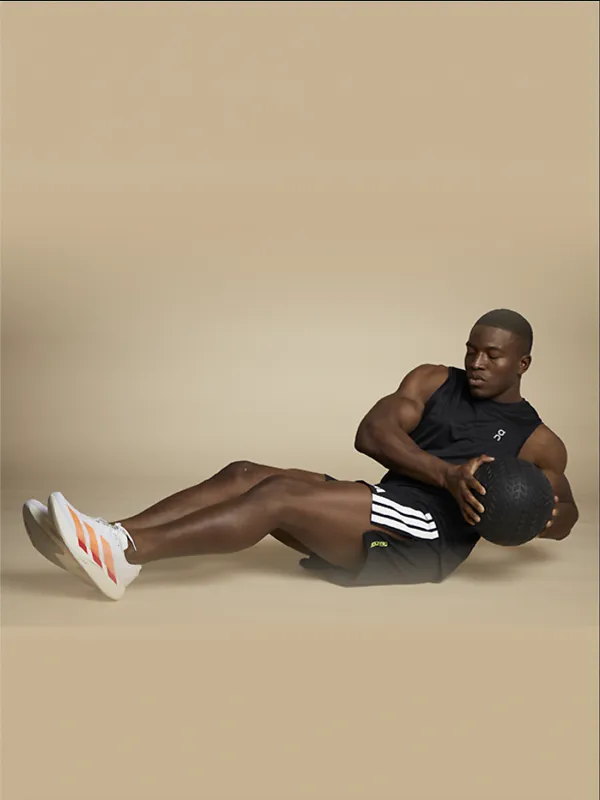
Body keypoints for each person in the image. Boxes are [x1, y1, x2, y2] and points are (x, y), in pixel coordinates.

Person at [23, 308, 580, 600]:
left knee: (280, 496)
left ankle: (126, 554)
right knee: (244, 472)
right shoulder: (434, 380)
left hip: (428, 538)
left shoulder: (536, 440)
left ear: (522, 364)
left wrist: (538, 512)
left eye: (494, 356)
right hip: (391, 501)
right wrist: (448, 473)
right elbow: (372, 433)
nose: (478, 363)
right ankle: (108, 535)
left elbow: (563, 514)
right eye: (472, 350)